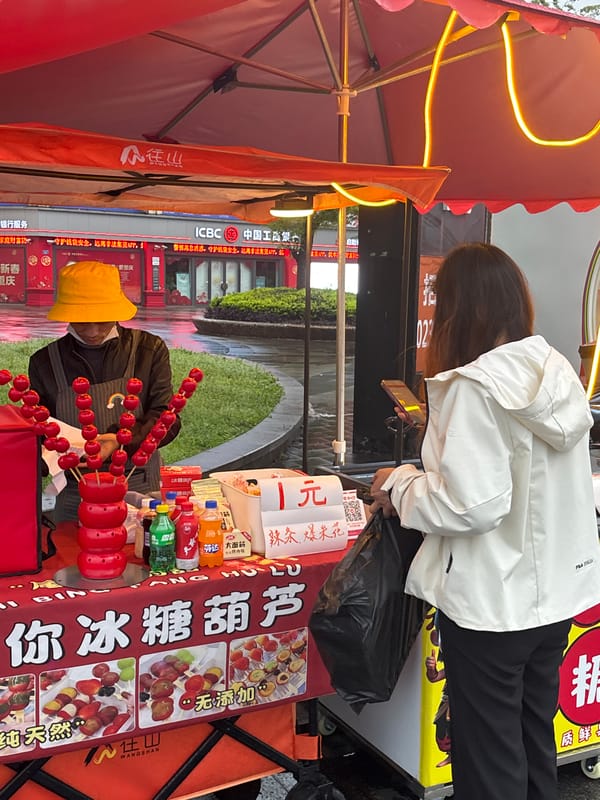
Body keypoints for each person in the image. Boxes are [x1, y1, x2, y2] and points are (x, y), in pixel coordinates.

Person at [369, 243, 600, 800]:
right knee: (530, 741)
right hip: (555, 597)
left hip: (492, 605)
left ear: (456, 309)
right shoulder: (556, 373)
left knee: (488, 758)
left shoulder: (472, 386)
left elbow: (471, 505)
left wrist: (397, 485)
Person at [29, 261, 181, 521]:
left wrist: (120, 441)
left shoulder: (148, 350)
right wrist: (47, 455)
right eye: (81, 321)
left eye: (101, 320)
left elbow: (166, 417)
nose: (92, 331)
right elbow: (40, 428)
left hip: (140, 487)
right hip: (76, 491)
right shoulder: (44, 362)